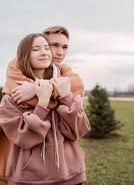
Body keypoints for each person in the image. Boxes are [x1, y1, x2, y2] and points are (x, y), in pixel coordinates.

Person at [0, 33, 90, 185]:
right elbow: (24, 138)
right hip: (29, 178)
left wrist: (65, 97)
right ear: (24, 56)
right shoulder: (11, 97)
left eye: (46, 48)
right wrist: (42, 103)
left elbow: (79, 130)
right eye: (36, 49)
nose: (44, 52)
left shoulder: (65, 88)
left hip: (71, 175)